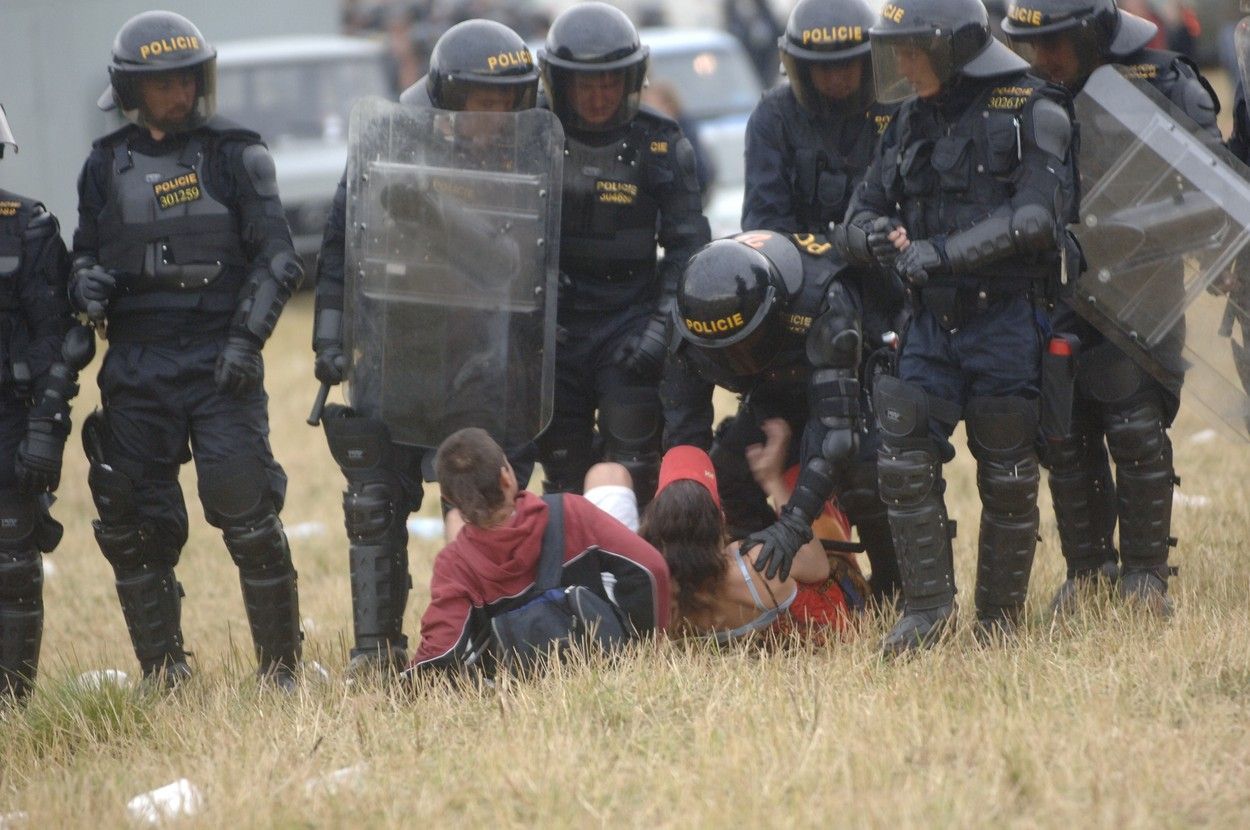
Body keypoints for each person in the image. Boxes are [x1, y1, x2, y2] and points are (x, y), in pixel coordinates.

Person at [71, 12, 304, 687]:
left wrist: (244, 342)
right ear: (133, 91)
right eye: (164, 84)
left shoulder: (237, 155)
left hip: (219, 364)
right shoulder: (103, 163)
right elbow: (86, 252)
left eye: (187, 80)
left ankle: (282, 670)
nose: (180, 95)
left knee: (247, 508)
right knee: (131, 519)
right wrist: (81, 281)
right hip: (138, 366)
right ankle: (164, 670)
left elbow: (279, 260)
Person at [836, 0, 1078, 652]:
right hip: (927, 326)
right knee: (904, 463)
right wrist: (875, 239)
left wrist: (941, 253)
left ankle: (998, 620)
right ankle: (928, 611)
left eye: (913, 50)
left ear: (953, 47)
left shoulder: (1034, 110)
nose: (903, 65)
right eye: (898, 52)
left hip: (1003, 319)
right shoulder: (908, 122)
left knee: (1007, 473)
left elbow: (1035, 220)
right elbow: (854, 217)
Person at [313, 19, 545, 674]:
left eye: (506, 102)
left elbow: (517, 262)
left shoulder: (528, 153)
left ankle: (492, 639)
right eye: (481, 101)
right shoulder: (395, 139)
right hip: (402, 345)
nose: (494, 115)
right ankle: (376, 647)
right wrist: (329, 334)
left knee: (481, 494)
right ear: (450, 96)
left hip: (485, 352)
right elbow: (341, 240)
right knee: (375, 498)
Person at [1002, 0, 1220, 616]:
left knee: (1132, 419)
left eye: (1055, 47)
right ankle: (1087, 570)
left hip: (1140, 277)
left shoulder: (1165, 80)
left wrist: (1129, 231)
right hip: (1050, 286)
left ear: (1093, 33)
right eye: (1029, 47)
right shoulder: (1021, 92)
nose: (1041, 61)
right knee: (1062, 428)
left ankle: (1146, 574)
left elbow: (1211, 188)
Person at [535, 2, 711, 504]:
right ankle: (569, 577)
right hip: (556, 331)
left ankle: (638, 572)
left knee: (634, 465)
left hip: (631, 325)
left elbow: (689, 250)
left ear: (629, 79)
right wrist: (535, 325)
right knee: (564, 473)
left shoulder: (662, 143)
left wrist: (661, 328)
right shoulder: (532, 137)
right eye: (584, 84)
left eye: (609, 83)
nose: (597, 97)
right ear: (561, 84)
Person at [670, 230, 903, 605]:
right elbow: (684, 434)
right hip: (773, 395)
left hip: (854, 387)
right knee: (726, 472)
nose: (733, 361)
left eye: (743, 346)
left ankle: (893, 586)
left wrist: (794, 524)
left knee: (863, 476)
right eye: (722, 353)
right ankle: (769, 573)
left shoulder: (823, 301)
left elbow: (835, 435)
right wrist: (685, 517)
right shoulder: (691, 315)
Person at [409, 428, 670, 676]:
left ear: (451, 501)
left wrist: (407, 680)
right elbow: (651, 568)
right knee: (608, 476)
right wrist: (646, 647)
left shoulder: (455, 564)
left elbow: (441, 651)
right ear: (507, 478)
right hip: (602, 654)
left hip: (517, 677)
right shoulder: (570, 511)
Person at [0, 107, 93, 701]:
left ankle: (13, 702)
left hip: (11, 416)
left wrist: (46, 429)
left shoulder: (27, 226)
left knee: (12, 555)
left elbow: (59, 338)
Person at [639, 440, 865, 643]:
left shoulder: (662, 596)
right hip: (844, 617)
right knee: (797, 478)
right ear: (721, 518)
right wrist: (774, 481)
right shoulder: (756, 561)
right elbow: (819, 567)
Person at [741, 0, 896, 236]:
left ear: (868, 62)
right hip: (800, 264)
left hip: (885, 257)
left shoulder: (899, 110)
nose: (835, 78)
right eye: (824, 68)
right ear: (802, 68)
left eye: (845, 65)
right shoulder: (774, 117)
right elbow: (764, 222)